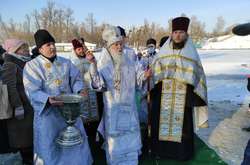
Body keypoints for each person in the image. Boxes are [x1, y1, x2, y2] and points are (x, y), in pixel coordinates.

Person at [23, 29, 92, 165]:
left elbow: (77, 79)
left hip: (71, 112)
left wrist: (80, 90)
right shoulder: (32, 66)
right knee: (50, 146)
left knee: (75, 145)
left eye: (53, 43)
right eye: (48, 45)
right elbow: (31, 90)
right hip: (49, 116)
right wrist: (47, 99)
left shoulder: (66, 62)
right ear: (40, 48)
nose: (52, 47)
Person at [86, 25, 151, 164]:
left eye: (121, 44)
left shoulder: (130, 61)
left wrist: (144, 76)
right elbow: (99, 85)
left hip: (130, 110)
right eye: (116, 45)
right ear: (110, 47)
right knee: (116, 148)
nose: (119, 47)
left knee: (130, 146)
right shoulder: (105, 65)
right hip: (114, 112)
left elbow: (138, 78)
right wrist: (92, 65)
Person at [150, 17, 208, 160]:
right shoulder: (163, 53)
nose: (178, 35)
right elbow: (154, 74)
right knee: (161, 123)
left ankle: (182, 153)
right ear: (171, 33)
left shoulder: (191, 53)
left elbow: (198, 76)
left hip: (184, 97)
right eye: (175, 32)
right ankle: (162, 151)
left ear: (186, 34)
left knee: (183, 127)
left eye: (181, 32)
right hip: (163, 94)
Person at [0, 39, 33, 164]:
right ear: (15, 51)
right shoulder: (10, 64)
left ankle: (28, 157)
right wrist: (18, 106)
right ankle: (25, 159)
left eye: (27, 48)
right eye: (24, 49)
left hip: (28, 106)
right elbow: (9, 87)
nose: (27, 51)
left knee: (28, 136)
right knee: (22, 138)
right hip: (21, 108)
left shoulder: (22, 62)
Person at [138, 38, 157, 124]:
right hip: (146, 87)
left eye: (152, 46)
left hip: (155, 86)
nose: (150, 48)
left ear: (155, 46)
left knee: (154, 108)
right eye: (148, 46)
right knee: (146, 108)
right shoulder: (143, 59)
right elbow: (140, 71)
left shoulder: (158, 57)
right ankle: (146, 124)